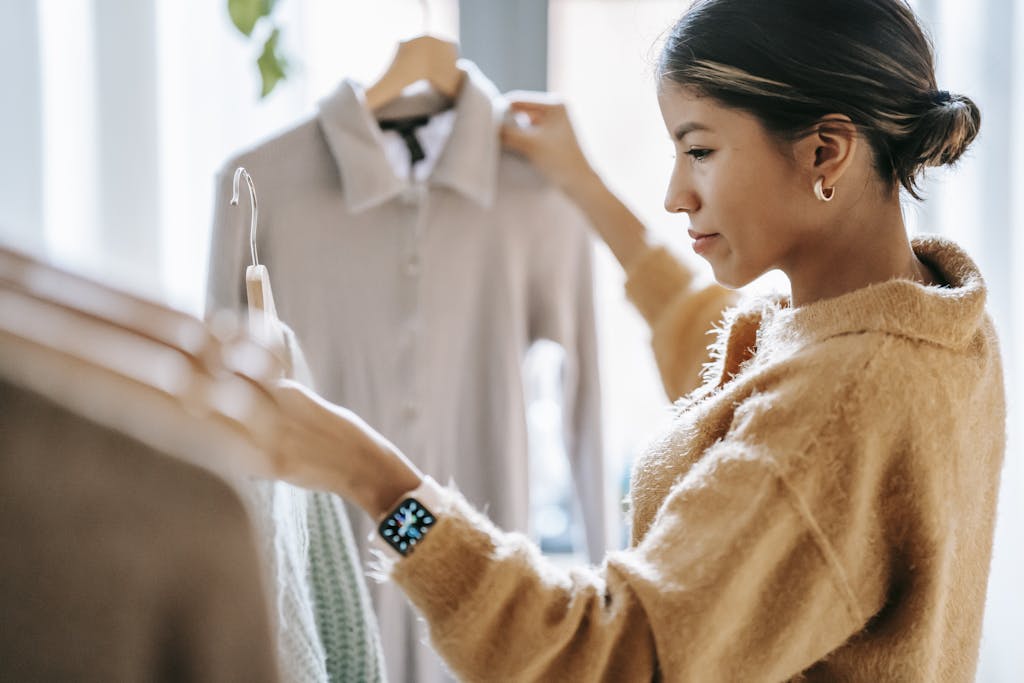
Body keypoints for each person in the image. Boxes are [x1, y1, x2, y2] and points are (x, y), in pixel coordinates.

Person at [267, 0, 1006, 680]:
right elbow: (733, 389)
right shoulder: (935, 323)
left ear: (825, 153)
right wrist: (584, 184)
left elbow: (607, 656)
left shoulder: (840, 404)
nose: (675, 193)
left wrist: (377, 481)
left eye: (701, 151)